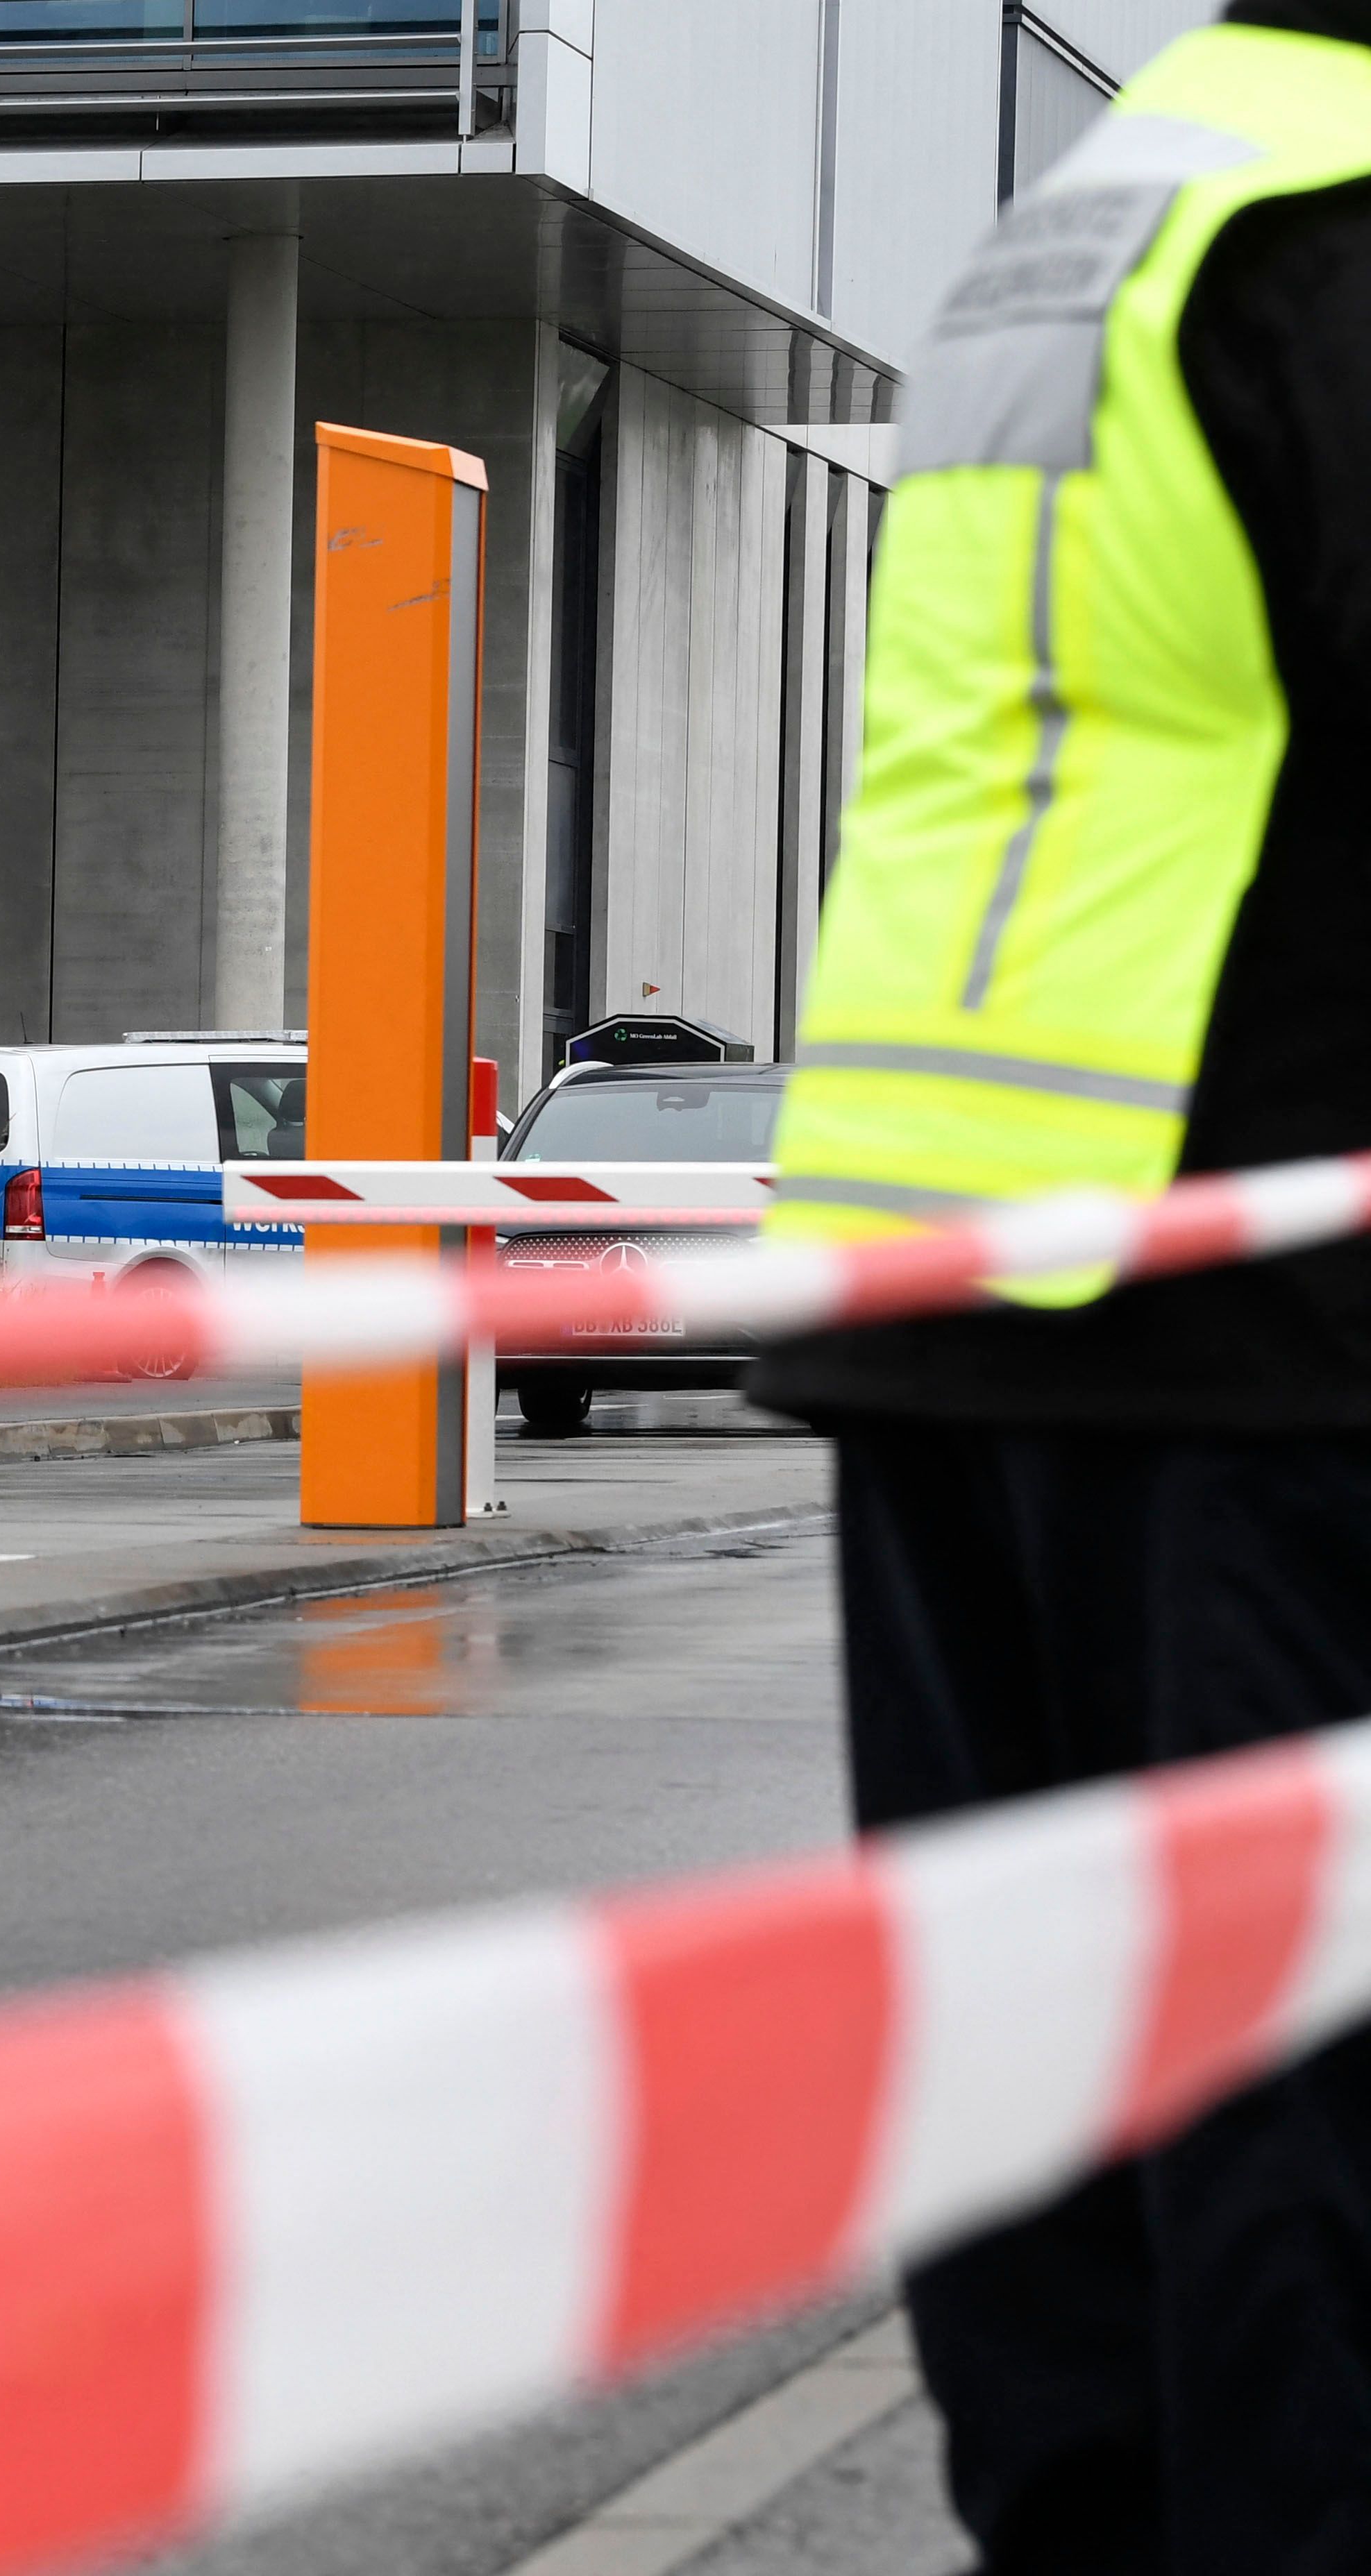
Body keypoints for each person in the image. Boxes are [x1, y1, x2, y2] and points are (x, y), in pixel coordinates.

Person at [752, 8, 1371, 2569]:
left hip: (955, 1265)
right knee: (1288, 2102)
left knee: (1033, 2071)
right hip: (1251, 1311)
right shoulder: (1332, 221)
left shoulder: (1115, 199)